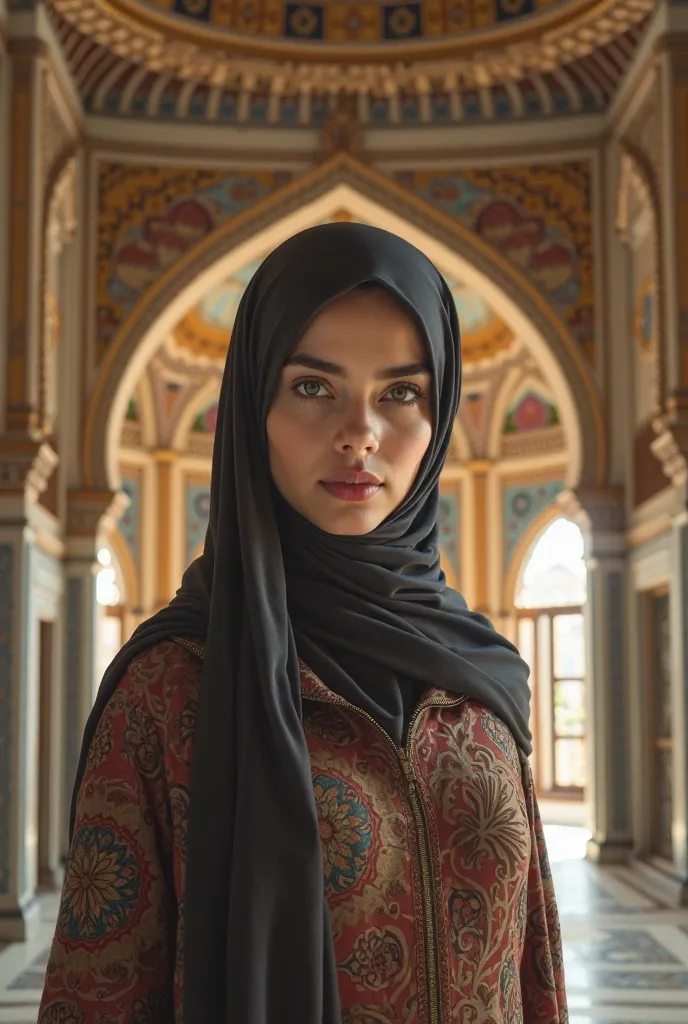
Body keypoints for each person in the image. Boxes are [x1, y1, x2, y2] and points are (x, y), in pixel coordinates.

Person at [39, 224, 567, 1024]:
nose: (360, 432)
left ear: (441, 412)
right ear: (255, 406)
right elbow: (96, 997)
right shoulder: (172, 688)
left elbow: (533, 974)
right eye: (314, 387)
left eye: (401, 392)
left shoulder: (479, 675)